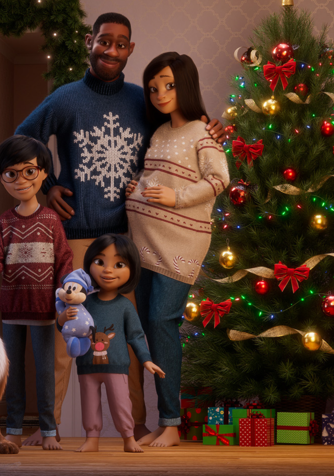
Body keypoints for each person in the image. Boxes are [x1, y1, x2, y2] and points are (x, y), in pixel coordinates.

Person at [15, 12, 226, 440]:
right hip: (75, 236)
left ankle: (137, 426)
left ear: (131, 49)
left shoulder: (140, 101)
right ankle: (50, 430)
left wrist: (210, 127)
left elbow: (178, 131)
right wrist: (49, 187)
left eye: (121, 43)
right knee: (64, 333)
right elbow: (24, 139)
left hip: (130, 240)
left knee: (125, 338)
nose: (111, 50)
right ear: (89, 41)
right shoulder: (65, 98)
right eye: (104, 41)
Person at [125, 52, 230, 447]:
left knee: (162, 322)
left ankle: (172, 422)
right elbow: (153, 177)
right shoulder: (159, 134)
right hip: (144, 243)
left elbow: (219, 179)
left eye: (168, 85)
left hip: (179, 242)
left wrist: (177, 197)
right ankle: (164, 419)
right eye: (153, 88)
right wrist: (134, 189)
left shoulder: (202, 132)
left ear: (184, 84)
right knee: (154, 327)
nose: (159, 94)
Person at [0, 135, 73, 450]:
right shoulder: (5, 222)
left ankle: (49, 431)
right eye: (11, 174)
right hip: (11, 310)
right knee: (13, 374)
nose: (21, 180)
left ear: (44, 173)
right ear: (1, 178)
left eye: (29, 172)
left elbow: (64, 261)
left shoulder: (51, 220)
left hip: (46, 311)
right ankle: (14, 429)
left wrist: (66, 292)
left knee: (45, 374)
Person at [57, 234, 164, 453]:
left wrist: (146, 360)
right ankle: (92, 439)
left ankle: (128, 438)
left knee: (121, 405)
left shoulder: (125, 306)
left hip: (116, 366)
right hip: (87, 366)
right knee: (89, 404)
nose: (108, 270)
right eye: (100, 262)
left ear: (131, 270)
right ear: (89, 265)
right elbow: (66, 328)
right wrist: (62, 318)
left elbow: (135, 336)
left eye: (119, 264)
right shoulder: (85, 302)